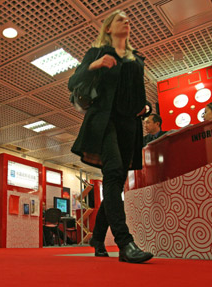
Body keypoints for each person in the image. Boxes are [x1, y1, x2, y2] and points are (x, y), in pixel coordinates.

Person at [68, 10, 153, 263]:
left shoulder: (137, 59)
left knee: (115, 182)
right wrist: (94, 65)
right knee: (114, 172)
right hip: (104, 122)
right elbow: (73, 82)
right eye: (120, 19)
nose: (126, 22)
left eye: (128, 19)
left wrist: (147, 108)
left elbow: (140, 93)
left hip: (130, 125)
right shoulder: (96, 53)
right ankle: (125, 243)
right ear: (108, 28)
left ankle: (97, 238)